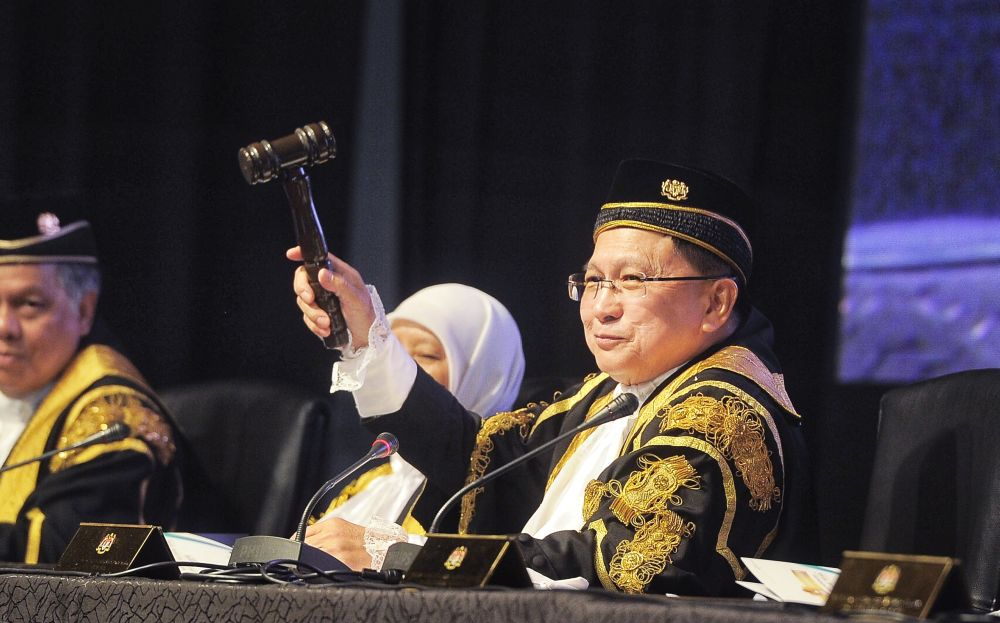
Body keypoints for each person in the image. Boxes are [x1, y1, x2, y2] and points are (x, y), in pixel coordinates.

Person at [291, 159, 815, 595]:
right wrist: (367, 335)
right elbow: (481, 459)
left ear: (716, 302)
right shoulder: (618, 392)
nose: (601, 307)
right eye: (593, 280)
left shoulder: (722, 412)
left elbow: (619, 560)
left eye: (632, 280)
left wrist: (402, 554)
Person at [0, 214, 181, 564]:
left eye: (29, 304)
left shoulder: (113, 416)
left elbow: (66, 549)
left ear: (84, 311)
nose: (4, 327)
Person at [316, 283, 525, 537]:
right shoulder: (369, 485)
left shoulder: (492, 502)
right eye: (396, 352)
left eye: (426, 355)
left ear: (483, 374)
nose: (404, 367)